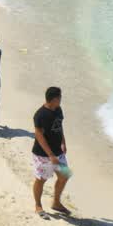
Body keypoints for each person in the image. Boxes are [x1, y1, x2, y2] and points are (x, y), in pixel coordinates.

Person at [32, 86, 71, 217]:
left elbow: (59, 126)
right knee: (41, 179)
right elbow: (38, 135)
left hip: (58, 152)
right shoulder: (40, 115)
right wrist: (50, 155)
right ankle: (38, 205)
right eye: (60, 98)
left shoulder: (58, 109)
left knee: (65, 175)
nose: (61, 100)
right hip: (43, 155)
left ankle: (56, 202)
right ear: (54, 99)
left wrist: (63, 142)